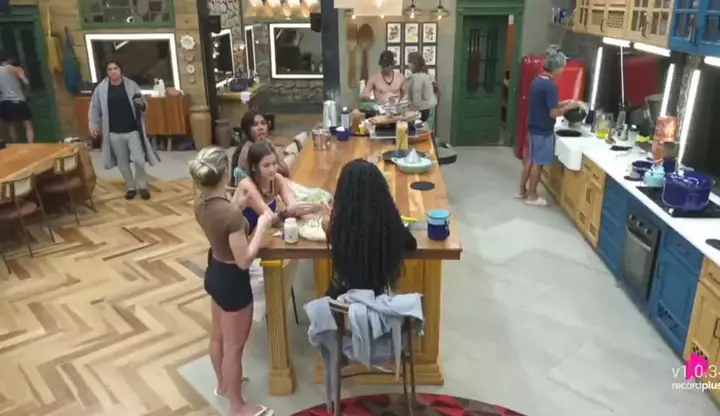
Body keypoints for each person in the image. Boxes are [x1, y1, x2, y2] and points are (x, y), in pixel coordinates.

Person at [189, 146, 274, 416]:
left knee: (218, 337)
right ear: (225, 172)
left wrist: (237, 205)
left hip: (214, 270)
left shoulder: (200, 204)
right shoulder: (231, 215)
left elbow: (221, 226)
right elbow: (245, 260)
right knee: (234, 348)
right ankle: (238, 407)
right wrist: (261, 226)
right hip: (233, 280)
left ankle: (223, 385)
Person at [321, 159, 417, 299]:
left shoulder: (339, 228)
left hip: (342, 300)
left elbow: (327, 225)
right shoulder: (388, 226)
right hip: (378, 300)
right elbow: (411, 244)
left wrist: (329, 217)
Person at [89, 60, 160, 200]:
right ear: (107, 72)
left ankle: (142, 185)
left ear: (120, 70)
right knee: (122, 163)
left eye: (115, 68)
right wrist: (94, 124)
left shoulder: (131, 85)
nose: (113, 71)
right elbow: (95, 107)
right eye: (110, 69)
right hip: (113, 132)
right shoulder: (101, 89)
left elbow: (143, 104)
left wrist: (142, 104)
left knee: (139, 160)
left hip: (132, 130)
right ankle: (130, 186)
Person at [517, 51, 579, 206]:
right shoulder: (551, 86)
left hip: (533, 126)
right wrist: (569, 107)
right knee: (538, 163)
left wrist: (563, 103)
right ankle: (532, 196)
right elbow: (553, 113)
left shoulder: (537, 81)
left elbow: (546, 104)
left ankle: (522, 191)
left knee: (530, 160)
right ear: (556, 68)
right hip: (543, 130)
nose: (563, 70)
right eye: (562, 67)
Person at [236, 141, 321, 230]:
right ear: (254, 167)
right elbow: (269, 218)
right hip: (245, 234)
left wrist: (314, 209)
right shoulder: (247, 186)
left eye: (274, 163)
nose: (272, 169)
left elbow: (293, 206)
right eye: (266, 165)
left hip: (264, 230)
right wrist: (285, 213)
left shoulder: (277, 180)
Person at [230, 110, 290, 186]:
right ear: (247, 130)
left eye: (263, 123)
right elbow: (285, 172)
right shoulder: (251, 150)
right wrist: (272, 147)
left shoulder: (264, 143)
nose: (260, 127)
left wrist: (271, 146)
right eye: (255, 125)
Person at [0, 54, 34, 143]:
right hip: (19, 100)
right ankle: (31, 145)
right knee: (28, 124)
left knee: (12, 126)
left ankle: (15, 145)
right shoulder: (15, 69)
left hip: (6, 102)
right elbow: (26, 82)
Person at [405, 52, 437, 122]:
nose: (408, 64)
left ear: (414, 63)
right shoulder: (422, 75)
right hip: (425, 109)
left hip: (422, 110)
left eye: (409, 62)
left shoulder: (419, 77)